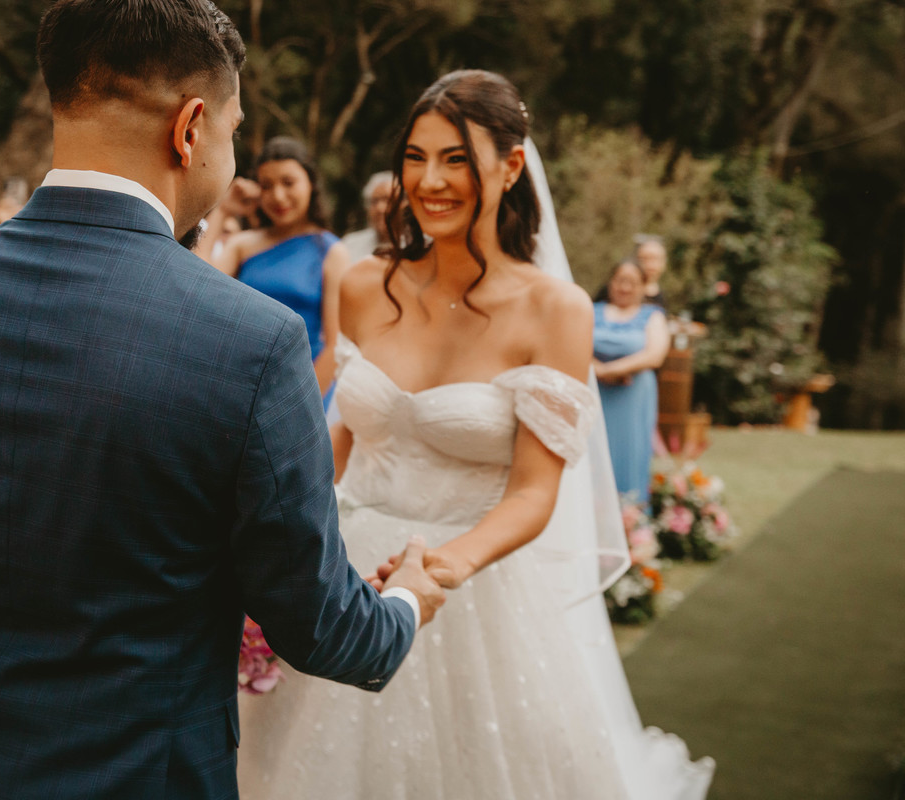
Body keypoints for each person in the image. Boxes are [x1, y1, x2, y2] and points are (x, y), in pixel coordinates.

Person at [0, 2, 444, 798]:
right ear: (191, 127)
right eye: (234, 131)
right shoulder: (252, 340)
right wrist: (407, 599)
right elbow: (319, 624)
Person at [238, 70, 712, 800]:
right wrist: (277, 542)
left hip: (473, 581)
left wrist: (442, 568)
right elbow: (342, 436)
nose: (429, 181)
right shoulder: (364, 284)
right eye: (416, 157)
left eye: (455, 159)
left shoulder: (555, 310)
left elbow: (533, 492)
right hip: (348, 573)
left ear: (511, 166)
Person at [211, 137, 348, 410]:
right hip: (238, 383)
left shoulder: (332, 252)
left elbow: (335, 345)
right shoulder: (242, 245)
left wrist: (300, 406)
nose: (278, 196)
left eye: (288, 182)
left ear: (311, 183)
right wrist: (223, 210)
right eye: (266, 186)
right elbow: (199, 286)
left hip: (302, 390)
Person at [593, 259, 670, 504]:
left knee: (631, 450)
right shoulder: (591, 310)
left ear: (643, 286)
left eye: (632, 282)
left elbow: (655, 355)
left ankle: (630, 513)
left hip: (633, 394)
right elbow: (572, 344)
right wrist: (599, 371)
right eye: (620, 280)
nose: (625, 287)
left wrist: (611, 370)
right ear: (611, 282)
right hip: (594, 392)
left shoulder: (653, 315)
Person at [340, 170, 393, 261]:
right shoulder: (350, 244)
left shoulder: (417, 246)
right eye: (374, 201)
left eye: (387, 200)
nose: (380, 208)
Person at [634, 235, 668, 307]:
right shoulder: (622, 291)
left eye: (655, 259)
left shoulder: (666, 296)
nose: (650, 265)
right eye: (645, 259)